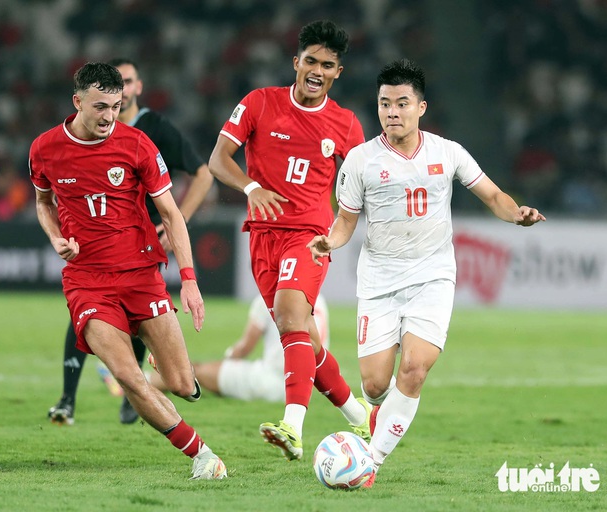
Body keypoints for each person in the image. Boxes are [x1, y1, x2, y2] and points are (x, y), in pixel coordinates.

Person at [307, 58, 546, 477]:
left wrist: (517, 214)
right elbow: (345, 222)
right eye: (384, 104)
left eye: (401, 103)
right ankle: (376, 419)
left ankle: (371, 463)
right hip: (379, 280)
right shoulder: (361, 161)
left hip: (432, 277)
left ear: (421, 108)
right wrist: (329, 242)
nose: (392, 112)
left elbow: (493, 195)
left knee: (414, 370)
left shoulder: (447, 152)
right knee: (376, 385)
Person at [29, 62, 226, 479]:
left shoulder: (136, 144)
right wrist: (55, 238)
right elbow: (43, 202)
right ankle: (201, 454)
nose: (108, 117)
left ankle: (155, 346)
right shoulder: (44, 148)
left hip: (140, 274)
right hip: (87, 282)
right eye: (100, 106)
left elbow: (171, 214)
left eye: (116, 107)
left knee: (182, 385)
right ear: (77, 101)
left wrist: (189, 281)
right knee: (127, 376)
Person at [208, 20, 371, 462]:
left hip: (310, 237)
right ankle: (362, 417)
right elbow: (218, 159)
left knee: (290, 317)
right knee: (303, 339)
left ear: (338, 73)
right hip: (262, 238)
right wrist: (250, 188)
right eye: (312, 61)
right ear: (296, 62)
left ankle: (293, 427)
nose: (318, 70)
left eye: (329, 65)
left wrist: (341, 231)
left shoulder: (345, 124)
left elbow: (365, 183)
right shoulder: (260, 103)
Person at [149, 294, 329, 402]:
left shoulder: (272, 295)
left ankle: (143, 383)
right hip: (305, 388)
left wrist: (227, 361)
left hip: (271, 382)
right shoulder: (318, 297)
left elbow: (244, 348)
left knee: (197, 371)